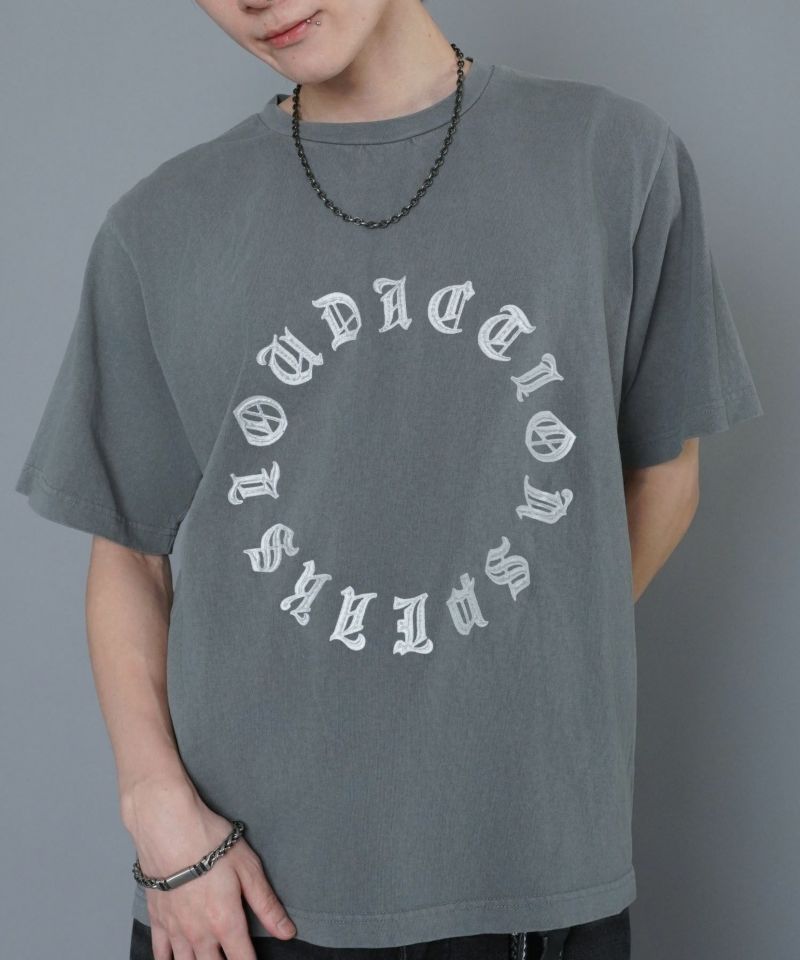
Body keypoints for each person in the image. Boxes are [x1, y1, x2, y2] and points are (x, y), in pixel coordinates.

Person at [13, 0, 764, 958]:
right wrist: (156, 812)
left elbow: (667, 475)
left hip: (529, 874)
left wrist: (515, 660)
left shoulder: (611, 158)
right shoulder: (161, 224)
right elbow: (127, 552)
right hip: (240, 896)